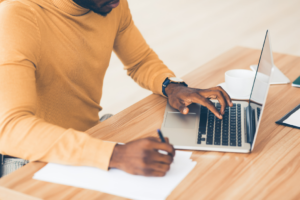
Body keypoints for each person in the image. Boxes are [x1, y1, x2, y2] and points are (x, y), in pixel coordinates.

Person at [0, 0, 232, 177]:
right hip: (28, 156)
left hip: (89, 138)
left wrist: (172, 86)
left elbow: (140, 61)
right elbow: (10, 129)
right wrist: (115, 154)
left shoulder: (111, 5)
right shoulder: (17, 16)